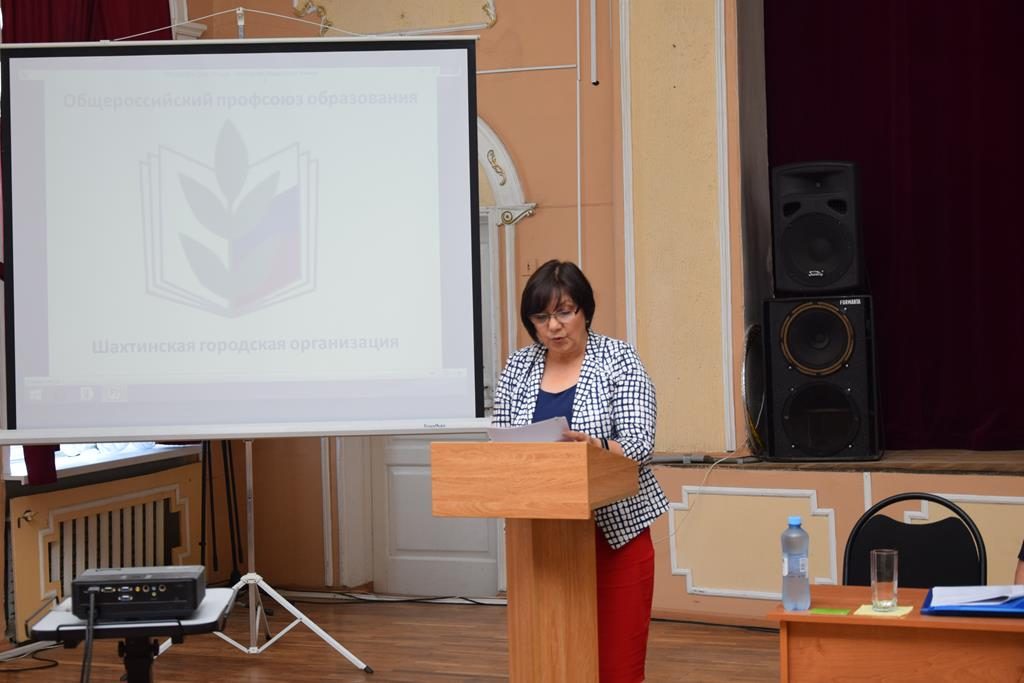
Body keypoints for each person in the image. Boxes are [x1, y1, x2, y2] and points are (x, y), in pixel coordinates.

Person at [492, 259, 669, 683]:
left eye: (564, 312)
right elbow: (502, 445)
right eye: (541, 317)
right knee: (547, 663)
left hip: (613, 536)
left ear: (585, 310)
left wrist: (595, 448)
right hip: (539, 541)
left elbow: (639, 443)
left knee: (616, 666)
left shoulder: (618, 359)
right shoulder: (518, 367)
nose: (553, 326)